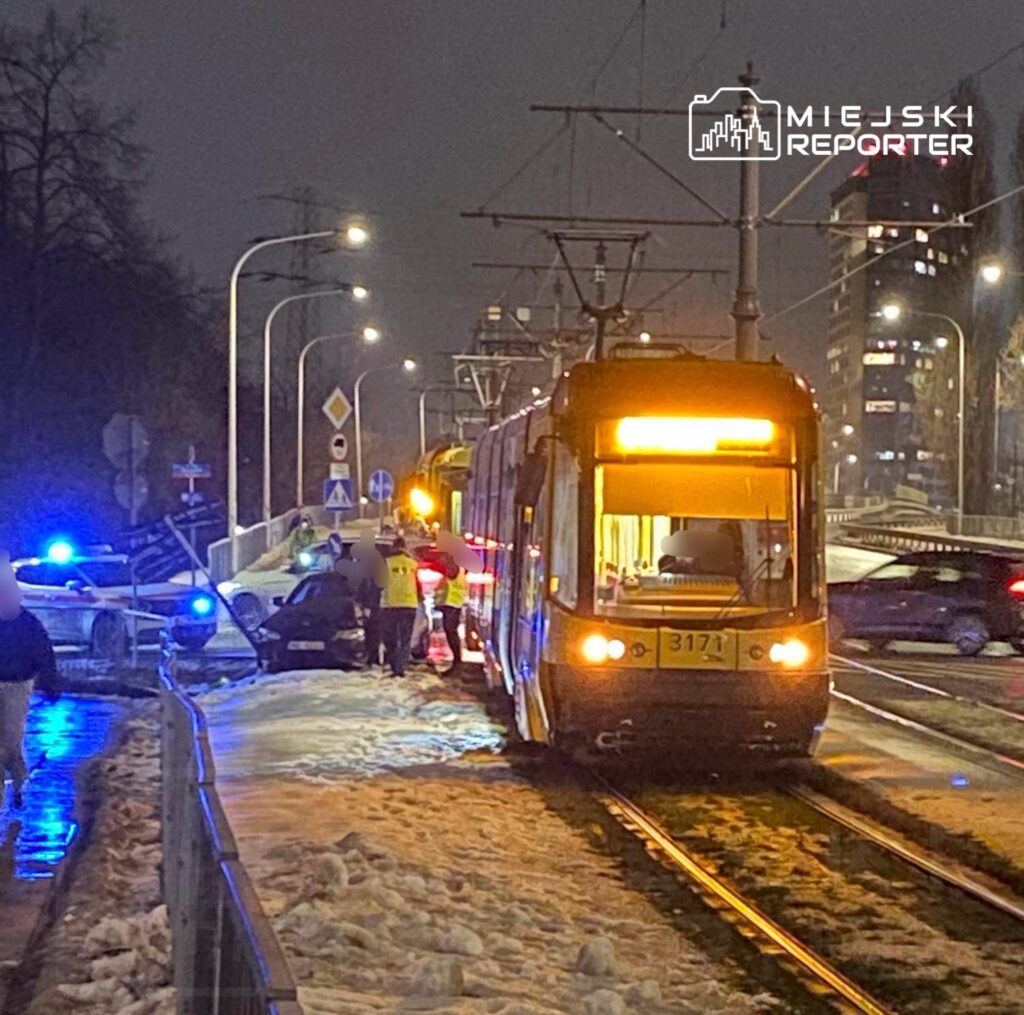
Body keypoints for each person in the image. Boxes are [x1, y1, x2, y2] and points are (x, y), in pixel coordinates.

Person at [0, 556, 58, 808]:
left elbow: (43, 653)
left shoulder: (28, 624)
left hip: (18, 684)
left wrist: (50, 682)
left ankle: (18, 780)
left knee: (11, 739)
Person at [380, 537, 419, 677]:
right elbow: (418, 585)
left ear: (393, 547)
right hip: (409, 604)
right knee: (405, 639)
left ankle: (395, 666)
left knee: (390, 638)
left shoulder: (386, 563)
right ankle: (401, 667)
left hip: (389, 605)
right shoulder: (413, 564)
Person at [435, 559, 467, 672]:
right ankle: (457, 659)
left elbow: (448, 581)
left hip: (451, 605)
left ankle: (457, 660)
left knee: (451, 633)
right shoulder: (460, 571)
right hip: (452, 605)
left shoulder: (454, 570)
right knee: (451, 633)